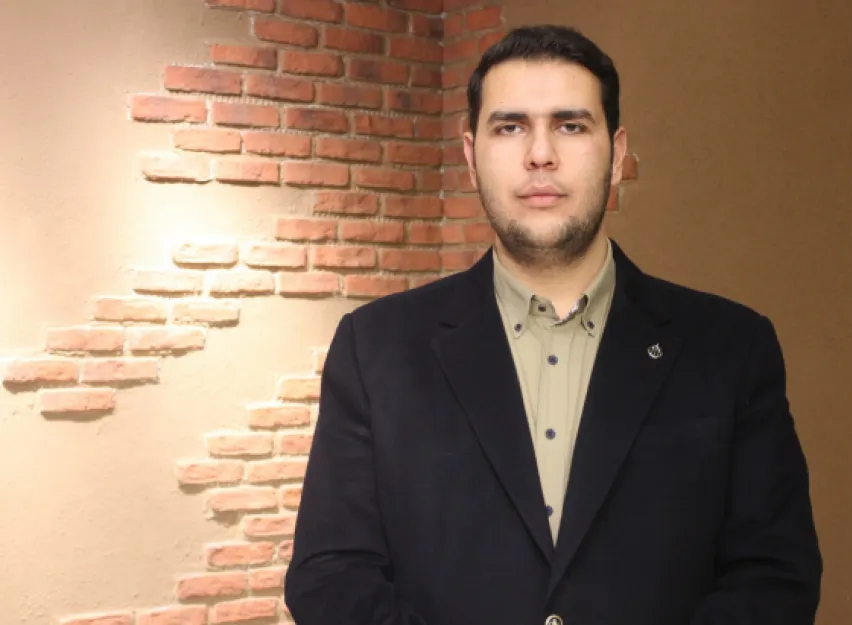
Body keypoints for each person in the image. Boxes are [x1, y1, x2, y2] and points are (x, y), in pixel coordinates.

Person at [284, 24, 822, 625]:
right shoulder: (375, 349)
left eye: (570, 125)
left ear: (616, 154)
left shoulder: (731, 348)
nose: (540, 154)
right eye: (510, 127)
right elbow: (330, 577)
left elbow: (775, 579)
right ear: (470, 157)